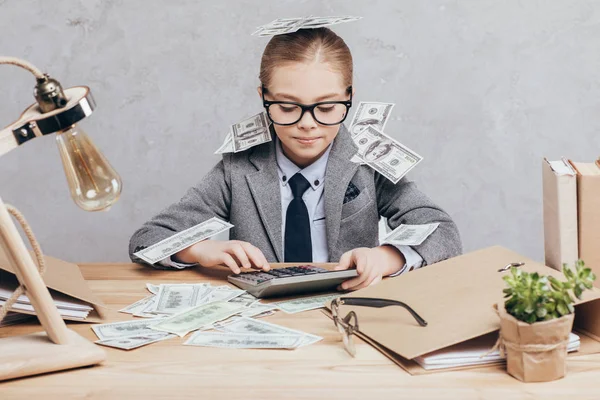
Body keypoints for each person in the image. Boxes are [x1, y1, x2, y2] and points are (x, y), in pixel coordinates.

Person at [129, 27, 462, 291]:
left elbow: (443, 231)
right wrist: (200, 250)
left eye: (328, 107)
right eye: (287, 107)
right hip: (264, 319)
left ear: (350, 97)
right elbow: (146, 239)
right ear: (264, 97)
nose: (307, 123)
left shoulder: (367, 163)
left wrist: (385, 257)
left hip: (348, 313)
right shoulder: (238, 169)